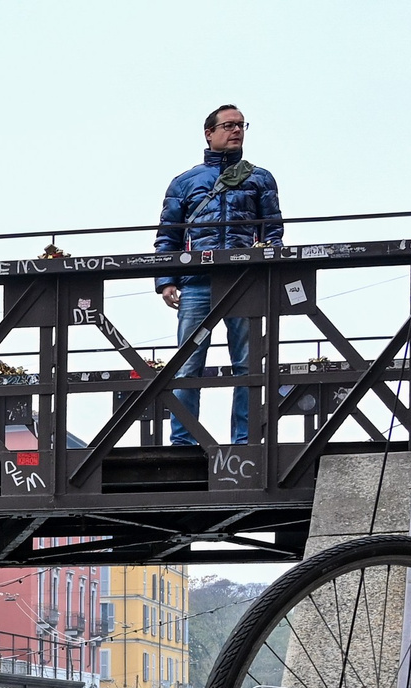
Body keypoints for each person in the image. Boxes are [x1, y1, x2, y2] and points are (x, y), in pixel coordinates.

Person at [155, 105, 282, 446]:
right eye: (228, 125)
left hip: (244, 282)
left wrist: (268, 272)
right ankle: (183, 441)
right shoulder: (185, 182)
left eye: (241, 125)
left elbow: (272, 232)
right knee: (187, 365)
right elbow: (168, 235)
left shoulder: (260, 178)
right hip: (197, 282)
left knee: (247, 365)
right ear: (209, 133)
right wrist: (165, 280)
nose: (237, 130)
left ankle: (244, 440)